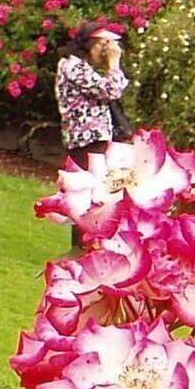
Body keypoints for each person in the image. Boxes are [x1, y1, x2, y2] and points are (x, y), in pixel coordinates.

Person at [54, 20, 132, 247]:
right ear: (89, 44)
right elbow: (112, 90)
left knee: (93, 195)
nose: (105, 51)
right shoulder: (73, 67)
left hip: (91, 140)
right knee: (85, 197)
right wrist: (114, 63)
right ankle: (82, 246)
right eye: (102, 45)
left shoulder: (78, 67)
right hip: (86, 141)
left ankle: (88, 245)